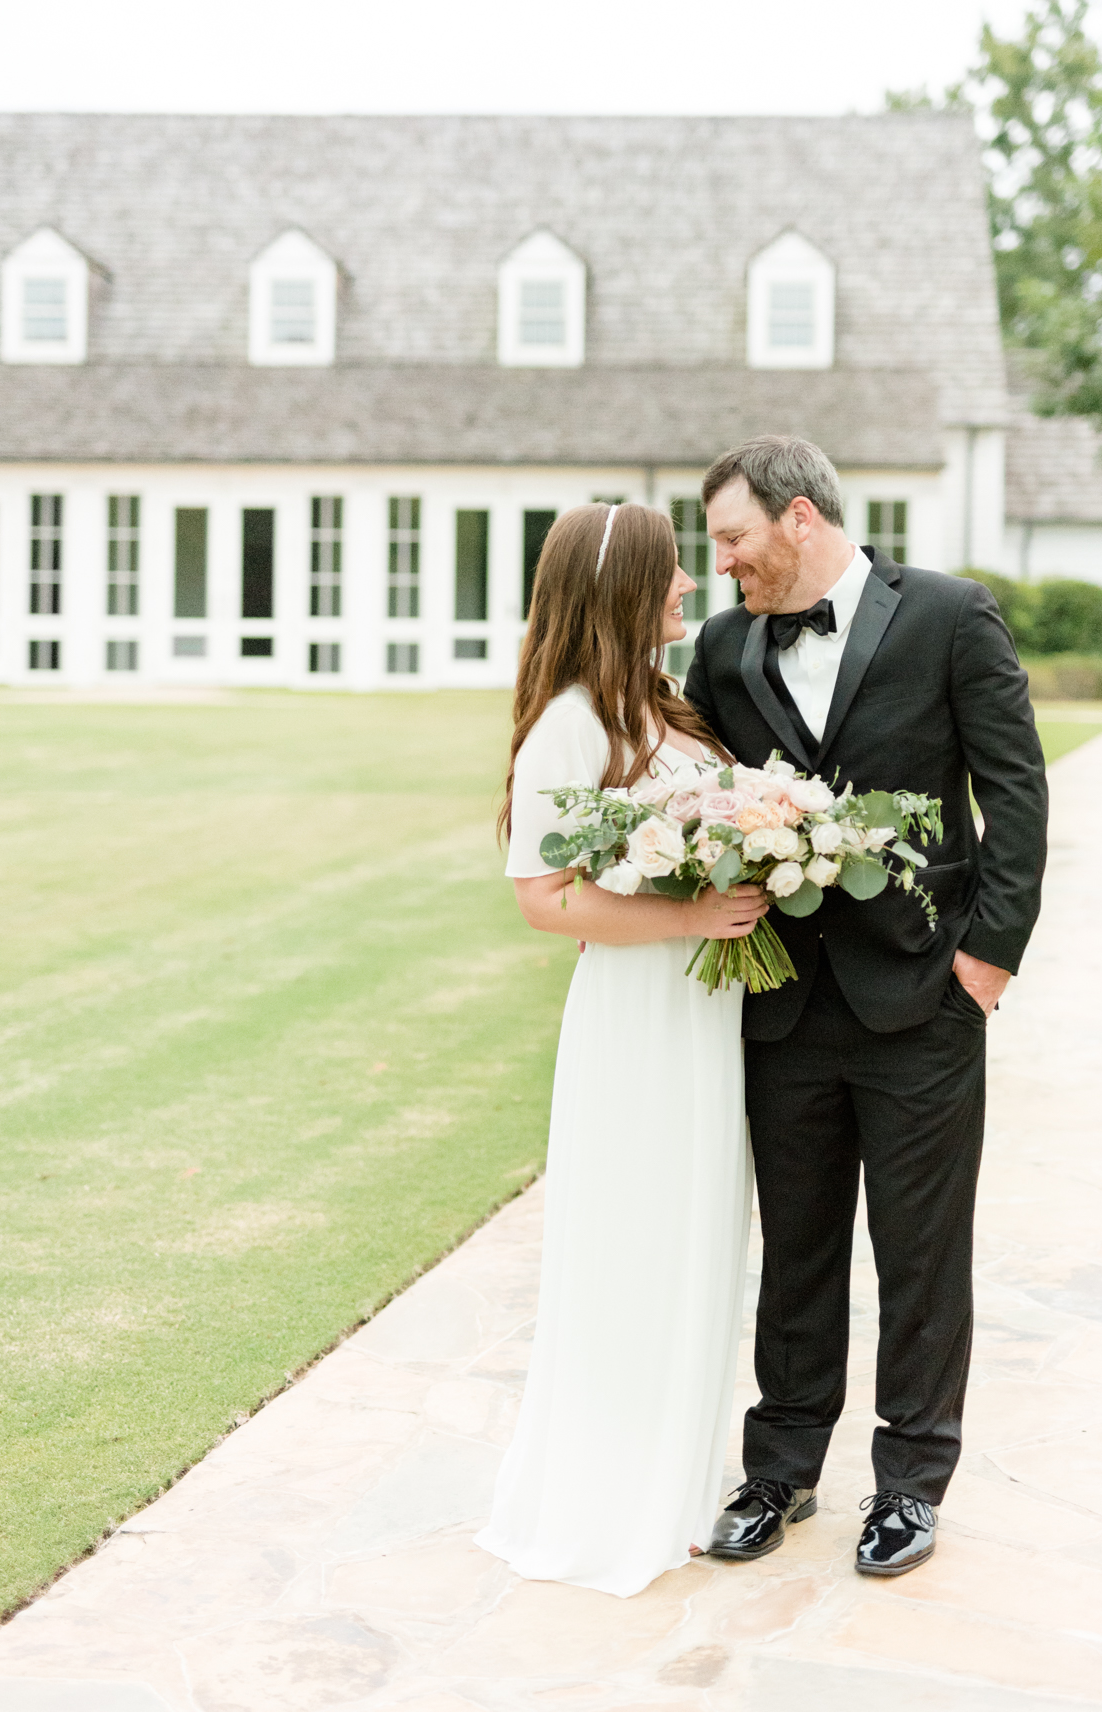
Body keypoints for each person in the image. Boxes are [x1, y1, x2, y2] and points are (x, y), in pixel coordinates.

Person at [685, 435, 1048, 1577]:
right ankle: (779, 1466)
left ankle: (907, 1483)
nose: (726, 564)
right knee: (794, 1247)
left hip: (921, 998)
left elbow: (1014, 789)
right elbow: (688, 788)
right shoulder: (722, 648)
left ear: (798, 517)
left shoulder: (946, 614)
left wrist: (984, 959)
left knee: (919, 1253)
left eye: (735, 539)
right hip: (782, 1002)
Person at [475, 500, 766, 1597]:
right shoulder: (567, 720)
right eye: (673, 575)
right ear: (623, 589)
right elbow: (546, 899)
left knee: (695, 1241)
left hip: (701, 1013)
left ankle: (676, 1482)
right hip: (638, 1014)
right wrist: (692, 919)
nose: (689, 590)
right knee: (632, 1242)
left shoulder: (661, 705)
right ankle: (612, 1492)